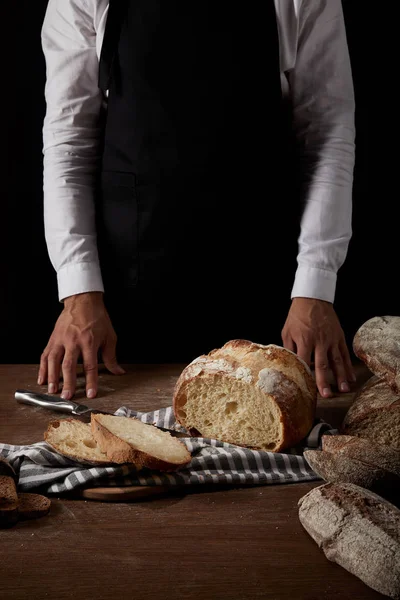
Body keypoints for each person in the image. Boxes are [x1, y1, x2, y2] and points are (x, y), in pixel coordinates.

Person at [38, 0, 356, 402]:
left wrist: (315, 287)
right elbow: (69, 144)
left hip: (269, 293)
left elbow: (327, 134)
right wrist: (78, 292)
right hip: (123, 306)